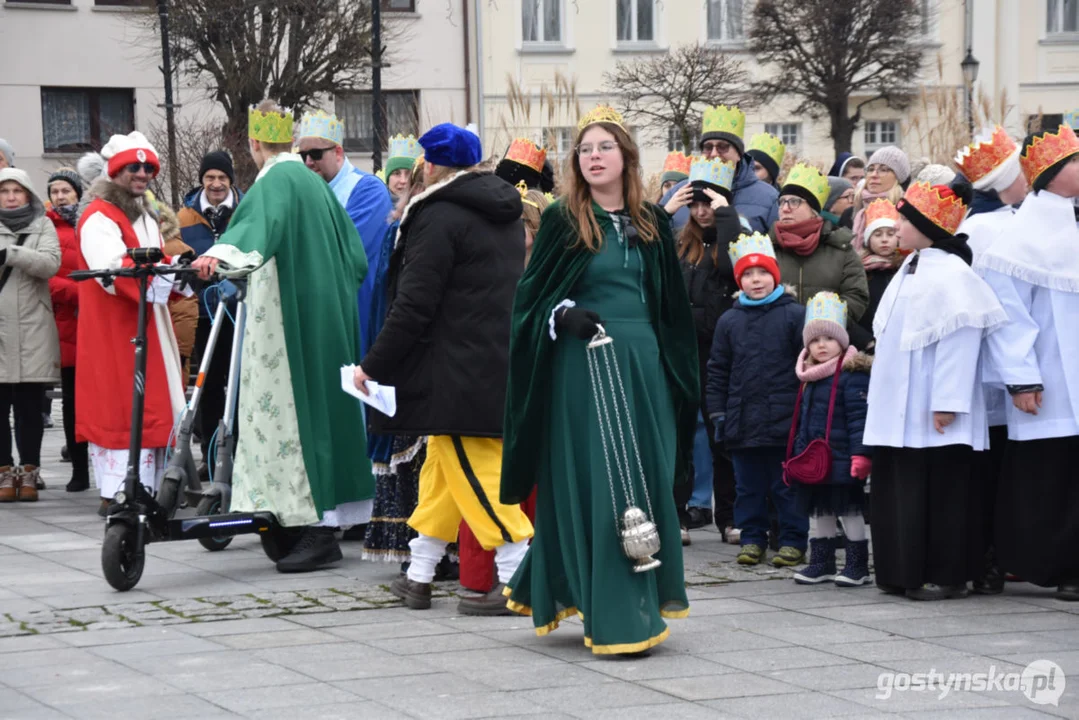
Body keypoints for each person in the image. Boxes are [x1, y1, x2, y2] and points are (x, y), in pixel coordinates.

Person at [500, 105, 696, 653]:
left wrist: (679, 374)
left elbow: (670, 308)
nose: (593, 157)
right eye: (585, 150)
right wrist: (562, 316)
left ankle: (616, 586)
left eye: (604, 147)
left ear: (626, 157)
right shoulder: (565, 218)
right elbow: (528, 302)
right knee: (605, 479)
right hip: (586, 363)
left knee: (646, 472)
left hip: (644, 365)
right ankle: (617, 615)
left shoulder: (652, 221)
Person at [352, 122, 533, 615]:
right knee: (440, 475)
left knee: (476, 474)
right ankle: (419, 575)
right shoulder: (499, 209)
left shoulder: (437, 214)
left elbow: (414, 304)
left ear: (429, 165)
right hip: (486, 359)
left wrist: (374, 363)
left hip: (454, 368)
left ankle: (520, 577)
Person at [191, 101, 373, 572]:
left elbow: (253, 232)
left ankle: (314, 527)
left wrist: (217, 256)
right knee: (327, 413)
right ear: (290, 142)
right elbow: (355, 257)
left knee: (296, 416)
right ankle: (307, 526)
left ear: (254, 144)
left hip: (290, 322)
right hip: (328, 315)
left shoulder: (275, 181)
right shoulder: (316, 183)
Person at [865, 181, 1006, 601]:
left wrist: (947, 402)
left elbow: (959, 344)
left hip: (933, 410)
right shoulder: (910, 268)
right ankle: (899, 570)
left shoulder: (953, 276)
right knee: (900, 491)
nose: (898, 227)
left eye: (905, 221)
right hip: (898, 409)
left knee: (941, 494)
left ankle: (943, 573)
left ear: (926, 227)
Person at [976, 124, 1079, 600]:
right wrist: (1021, 379)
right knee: (1049, 479)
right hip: (1052, 378)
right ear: (1054, 174)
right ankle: (1049, 563)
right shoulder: (1023, 235)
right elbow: (1009, 314)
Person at [74, 133, 187, 516]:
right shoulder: (98, 215)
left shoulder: (144, 213)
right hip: (116, 328)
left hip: (146, 322)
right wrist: (163, 276)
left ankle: (145, 489)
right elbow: (109, 268)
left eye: (147, 168)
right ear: (115, 170)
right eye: (133, 167)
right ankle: (118, 491)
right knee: (122, 407)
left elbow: (152, 261)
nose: (142, 174)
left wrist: (177, 275)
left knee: (148, 405)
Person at [954, 126, 1028, 594]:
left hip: (977, 373)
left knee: (981, 471)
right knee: (1002, 471)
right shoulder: (1005, 228)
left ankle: (985, 560)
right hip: (1009, 371)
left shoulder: (966, 227)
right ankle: (998, 555)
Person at [707, 232, 808, 567]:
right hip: (743, 420)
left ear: (775, 275)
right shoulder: (730, 320)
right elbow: (718, 370)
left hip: (784, 419)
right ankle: (752, 539)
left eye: (762, 273)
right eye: (748, 275)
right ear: (740, 281)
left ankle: (792, 540)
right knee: (747, 488)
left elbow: (805, 364)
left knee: (785, 486)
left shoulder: (794, 315)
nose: (756, 280)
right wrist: (719, 413)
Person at [664, 156, 742, 543]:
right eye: (695, 204)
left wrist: (727, 216)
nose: (701, 211)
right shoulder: (682, 244)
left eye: (708, 203)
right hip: (684, 351)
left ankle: (729, 518)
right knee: (680, 436)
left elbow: (733, 269)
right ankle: (677, 515)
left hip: (721, 352)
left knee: (721, 436)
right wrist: (666, 211)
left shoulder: (734, 238)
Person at [789, 292, 872, 587]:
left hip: (841, 458)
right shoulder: (810, 377)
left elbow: (858, 420)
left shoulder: (853, 375)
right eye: (814, 340)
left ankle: (857, 564)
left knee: (849, 512)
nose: (821, 345)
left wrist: (860, 454)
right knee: (819, 512)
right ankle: (821, 562)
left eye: (828, 339)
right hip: (815, 461)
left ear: (843, 341)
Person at [296, 110, 393, 356]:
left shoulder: (368, 190)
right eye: (303, 155)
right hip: (317, 312)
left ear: (338, 152)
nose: (308, 162)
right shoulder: (306, 192)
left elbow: (345, 250)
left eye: (315, 154)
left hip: (356, 309)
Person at [177, 150, 244, 471]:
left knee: (243, 382)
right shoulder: (184, 217)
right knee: (209, 384)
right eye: (209, 178)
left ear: (230, 180)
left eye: (221, 178)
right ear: (201, 181)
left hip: (240, 310)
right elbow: (179, 257)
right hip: (204, 311)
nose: (216, 184)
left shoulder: (245, 210)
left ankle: (241, 451)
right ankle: (211, 453)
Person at [0, 169, 61, 503]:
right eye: (4, 190)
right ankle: (3, 473)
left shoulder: (43, 224)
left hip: (33, 326)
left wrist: (12, 254)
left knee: (28, 407)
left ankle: (29, 472)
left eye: (17, 190)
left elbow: (51, 263)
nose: (10, 196)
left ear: (28, 194)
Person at [770, 163, 869, 321]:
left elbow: (856, 296)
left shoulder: (840, 248)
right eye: (782, 201)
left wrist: (822, 321)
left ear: (813, 210)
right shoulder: (766, 248)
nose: (785, 208)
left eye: (794, 201)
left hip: (825, 340)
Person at [660, 105, 779, 234]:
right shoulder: (679, 192)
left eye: (723, 147)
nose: (714, 154)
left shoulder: (769, 197)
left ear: (739, 154)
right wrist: (664, 213)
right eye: (708, 147)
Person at [45, 169, 90, 493]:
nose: (60, 196)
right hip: (66, 324)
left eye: (66, 190)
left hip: (97, 322)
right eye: (55, 191)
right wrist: (79, 292)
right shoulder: (46, 228)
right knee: (72, 401)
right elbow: (44, 276)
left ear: (78, 192)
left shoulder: (91, 223)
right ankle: (78, 468)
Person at [856, 199, 903, 338]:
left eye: (890, 234)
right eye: (877, 234)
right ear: (868, 240)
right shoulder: (859, 270)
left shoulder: (905, 268)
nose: (884, 239)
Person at [852, 146, 910, 249]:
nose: (874, 175)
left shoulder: (907, 210)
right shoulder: (854, 208)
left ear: (898, 177)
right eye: (870, 169)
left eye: (883, 170)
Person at [383, 134, 423, 200]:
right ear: (388, 178)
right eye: (396, 173)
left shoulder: (427, 207)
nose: (403, 180)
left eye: (408, 174)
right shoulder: (377, 207)